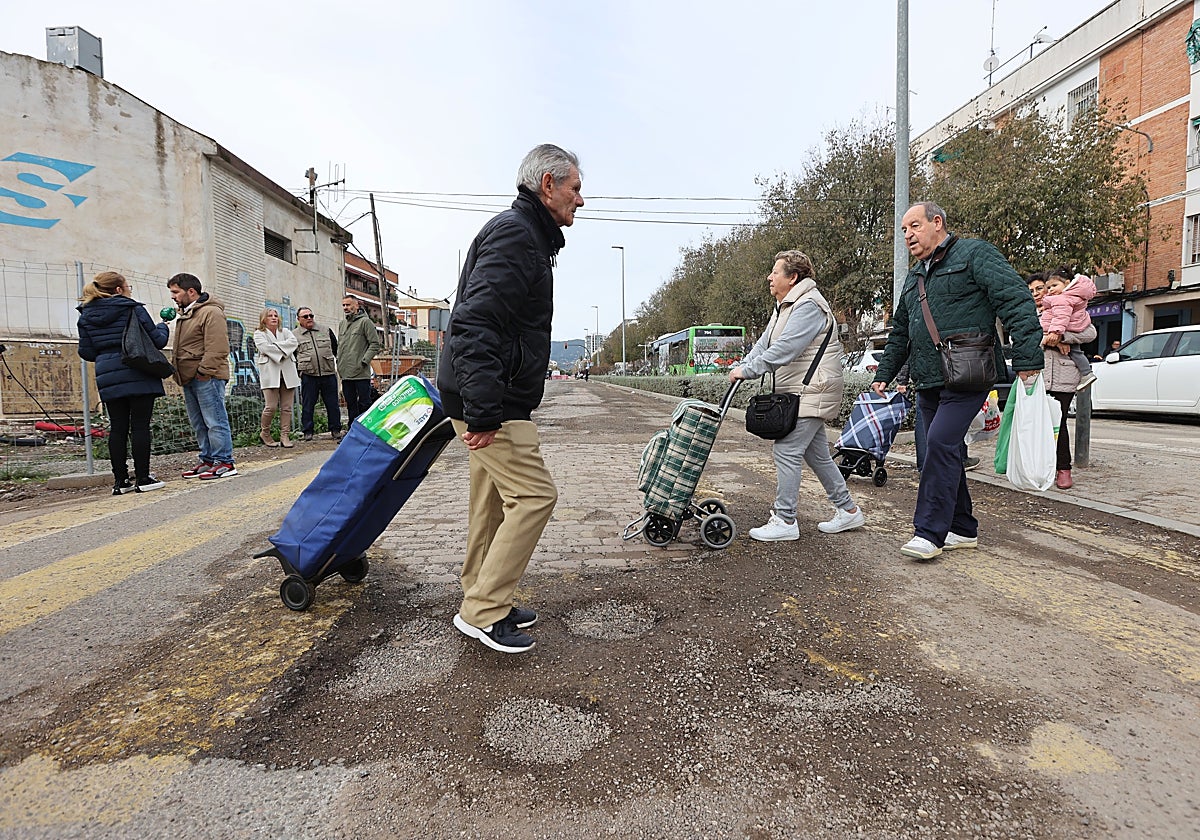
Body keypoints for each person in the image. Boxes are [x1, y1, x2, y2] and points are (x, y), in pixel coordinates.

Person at [436, 143, 583, 654]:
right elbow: (476, 323)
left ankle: (479, 594)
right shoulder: (517, 235)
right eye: (574, 189)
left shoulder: (526, 236)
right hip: (492, 400)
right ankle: (483, 609)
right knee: (537, 496)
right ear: (548, 184)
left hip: (491, 395)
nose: (579, 201)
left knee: (493, 503)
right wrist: (483, 410)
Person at [872, 202, 1042, 561]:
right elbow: (902, 330)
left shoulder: (974, 253)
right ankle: (963, 528)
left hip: (970, 372)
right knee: (936, 450)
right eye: (903, 231)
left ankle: (928, 532)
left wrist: (1027, 358)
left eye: (914, 226)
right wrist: (885, 373)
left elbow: (1016, 299)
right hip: (931, 378)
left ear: (937, 223)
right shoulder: (914, 276)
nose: (908, 236)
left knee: (939, 443)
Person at [729, 250, 865, 540]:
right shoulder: (784, 306)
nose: (769, 277)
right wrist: (743, 365)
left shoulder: (808, 306)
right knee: (817, 456)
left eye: (775, 272)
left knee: (786, 450)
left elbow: (786, 348)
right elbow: (765, 345)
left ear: (792, 277)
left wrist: (749, 371)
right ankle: (849, 511)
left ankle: (785, 520)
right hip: (799, 392)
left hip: (812, 390)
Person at [76, 271, 169, 494]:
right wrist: (163, 325)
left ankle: (120, 482)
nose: (130, 290)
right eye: (128, 286)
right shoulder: (132, 309)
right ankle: (143, 478)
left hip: (108, 376)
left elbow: (86, 352)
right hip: (138, 370)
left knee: (117, 428)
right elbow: (158, 340)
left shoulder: (85, 315)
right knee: (140, 426)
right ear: (118, 290)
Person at [167, 272, 237, 480]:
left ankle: (224, 461)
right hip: (189, 377)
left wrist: (204, 373)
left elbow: (218, 347)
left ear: (191, 291)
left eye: (176, 292)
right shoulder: (186, 312)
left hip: (207, 377)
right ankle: (207, 459)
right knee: (199, 422)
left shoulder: (210, 312)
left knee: (214, 420)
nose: (173, 297)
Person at [1040, 267, 1097, 391]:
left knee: (1075, 352)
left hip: (1064, 379)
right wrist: (1054, 341)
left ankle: (1087, 373)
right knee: (1076, 352)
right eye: (1048, 287)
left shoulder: (1062, 299)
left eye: (1054, 285)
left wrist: (1059, 335)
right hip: (1040, 378)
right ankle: (1087, 372)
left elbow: (1062, 316)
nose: (1051, 290)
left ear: (1066, 284)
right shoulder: (1070, 298)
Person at [253, 309, 300, 448]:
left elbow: (293, 343)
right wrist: (283, 350)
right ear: (264, 319)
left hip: (288, 373)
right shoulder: (259, 333)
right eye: (270, 316)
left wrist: (274, 348)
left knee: (287, 407)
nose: (274, 318)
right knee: (271, 407)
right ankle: (265, 433)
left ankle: (284, 435)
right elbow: (264, 347)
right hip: (270, 374)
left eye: (276, 316)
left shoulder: (285, 331)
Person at [295, 307, 343, 441]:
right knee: (308, 404)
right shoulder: (294, 335)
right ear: (299, 319)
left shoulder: (325, 330)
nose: (309, 318)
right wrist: (299, 371)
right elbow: (293, 355)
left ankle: (335, 430)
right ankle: (308, 431)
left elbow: (335, 349)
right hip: (309, 375)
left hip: (328, 373)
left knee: (332, 403)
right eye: (305, 316)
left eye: (311, 315)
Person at [337, 296, 381, 424]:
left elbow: (374, 344)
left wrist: (364, 361)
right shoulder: (342, 324)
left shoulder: (365, 322)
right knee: (350, 404)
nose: (345, 308)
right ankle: (352, 430)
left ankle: (365, 429)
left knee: (364, 403)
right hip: (345, 372)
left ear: (356, 306)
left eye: (348, 305)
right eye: (343, 305)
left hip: (361, 372)